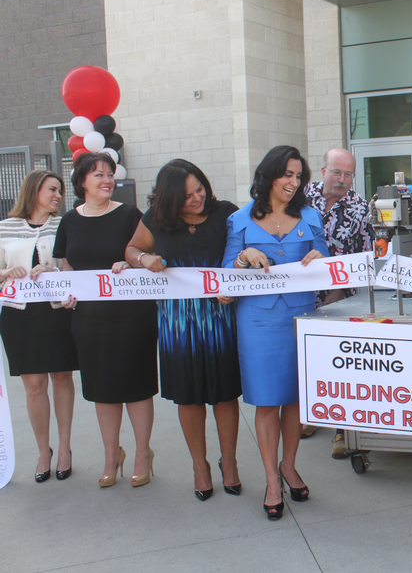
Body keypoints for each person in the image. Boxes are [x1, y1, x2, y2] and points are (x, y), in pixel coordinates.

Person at [222, 145, 329, 521]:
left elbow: (329, 264)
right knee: (267, 401)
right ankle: (271, 479)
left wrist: (322, 259)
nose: (293, 182)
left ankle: (289, 465)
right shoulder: (239, 221)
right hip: (258, 321)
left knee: (295, 399)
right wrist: (242, 258)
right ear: (269, 176)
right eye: (287, 174)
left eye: (299, 176)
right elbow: (225, 280)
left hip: (302, 316)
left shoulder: (312, 217)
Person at [125, 159, 242, 501]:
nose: (197, 199)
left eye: (200, 189)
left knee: (224, 395)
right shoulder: (156, 221)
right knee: (189, 398)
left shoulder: (226, 214)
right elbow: (132, 249)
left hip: (220, 320)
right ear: (170, 199)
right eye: (188, 195)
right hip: (177, 324)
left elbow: (244, 256)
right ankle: (200, 466)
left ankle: (230, 463)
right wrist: (142, 259)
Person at [53, 152, 158, 488]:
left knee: (137, 386)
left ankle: (143, 453)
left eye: (110, 174)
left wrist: (133, 262)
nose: (107, 180)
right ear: (82, 181)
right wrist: (64, 293)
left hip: (132, 316)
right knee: (103, 389)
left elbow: (148, 254)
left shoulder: (130, 215)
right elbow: (65, 267)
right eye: (98, 174)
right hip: (89, 319)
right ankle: (112, 454)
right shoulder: (70, 220)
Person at [0, 170, 79, 482]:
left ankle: (64, 448)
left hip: (57, 313)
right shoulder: (5, 227)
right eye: (52, 189)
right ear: (33, 191)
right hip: (19, 316)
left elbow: (73, 267)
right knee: (34, 386)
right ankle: (42, 449)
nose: (58, 195)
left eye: (60, 190)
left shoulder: (65, 224)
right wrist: (8, 273)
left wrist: (53, 269)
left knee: (62, 378)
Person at [302, 148, 375, 456]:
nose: (342, 180)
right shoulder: (300, 197)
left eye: (348, 174)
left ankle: (342, 430)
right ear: (323, 171)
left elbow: (364, 258)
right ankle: (313, 414)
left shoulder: (360, 207)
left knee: (340, 363)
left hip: (340, 296)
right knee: (308, 359)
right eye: (336, 172)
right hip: (300, 291)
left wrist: (338, 295)